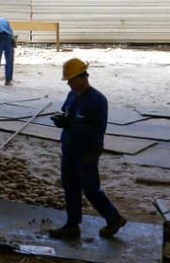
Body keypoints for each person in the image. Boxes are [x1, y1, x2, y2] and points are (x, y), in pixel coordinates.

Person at [48, 58, 127, 240]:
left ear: (83, 77)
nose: (69, 84)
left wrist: (70, 124)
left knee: (90, 188)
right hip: (69, 147)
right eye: (67, 81)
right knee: (70, 185)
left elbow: (95, 130)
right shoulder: (73, 95)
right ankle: (72, 225)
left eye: (71, 80)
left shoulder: (97, 100)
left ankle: (114, 219)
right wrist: (62, 120)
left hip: (87, 151)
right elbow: (67, 113)